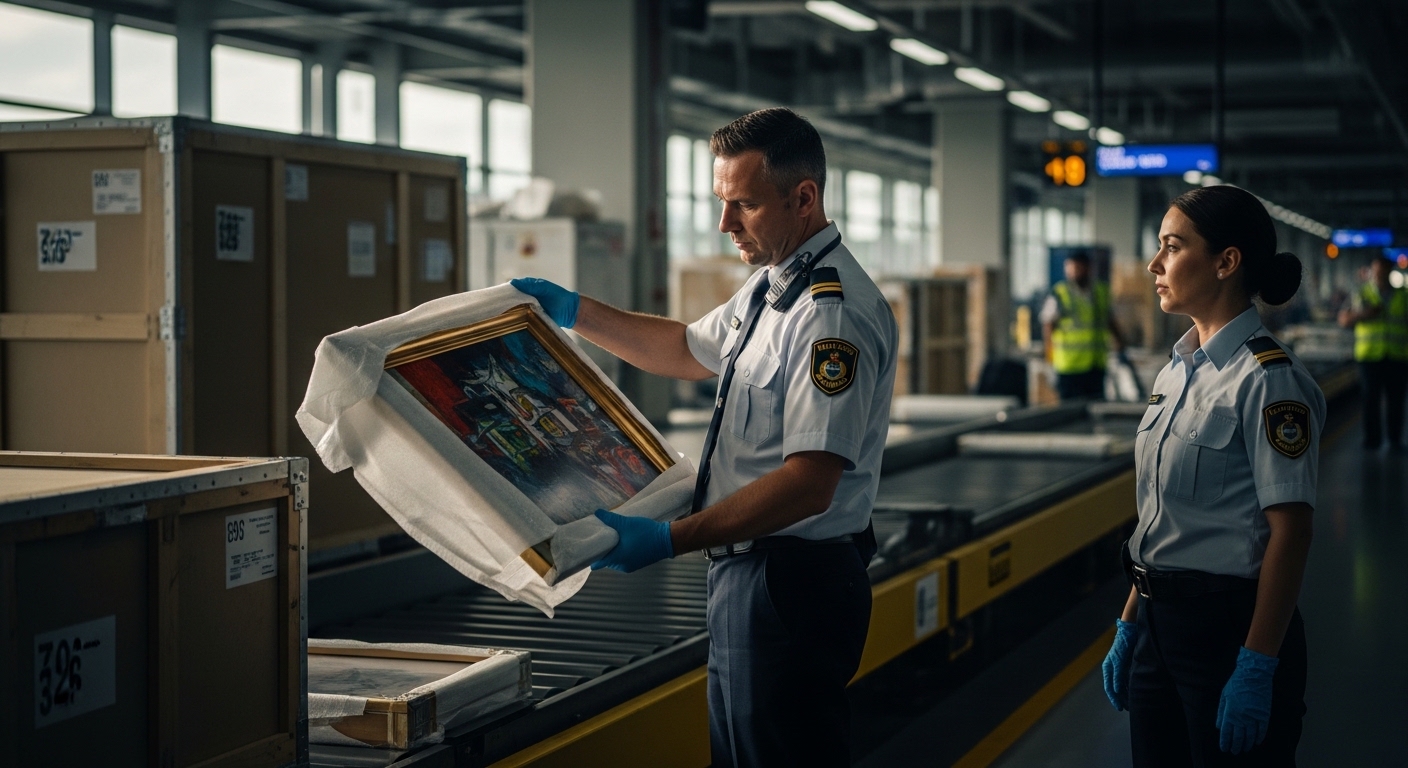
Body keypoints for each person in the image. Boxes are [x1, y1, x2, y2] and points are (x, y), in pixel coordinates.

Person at [511, 107, 897, 768]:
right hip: (748, 573)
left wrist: (668, 539)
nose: (725, 225)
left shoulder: (829, 314)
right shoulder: (770, 291)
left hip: (790, 581)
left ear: (803, 198)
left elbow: (809, 483)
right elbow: (687, 348)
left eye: (744, 205)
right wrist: (575, 312)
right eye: (721, 203)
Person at [1100, 185, 1322, 767]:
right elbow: (1163, 520)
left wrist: (1257, 662)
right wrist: (1130, 622)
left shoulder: (1268, 380)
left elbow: (1291, 532)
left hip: (1230, 631)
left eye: (1172, 248)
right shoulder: (1175, 375)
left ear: (1226, 262)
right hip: (1156, 625)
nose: (1155, 264)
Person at [1337, 256, 1407, 450]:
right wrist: (1364, 314)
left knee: (1396, 400)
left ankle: (1395, 440)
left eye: (1383, 271)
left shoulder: (1403, 295)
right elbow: (1343, 320)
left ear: (1390, 271)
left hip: (1397, 356)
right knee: (1370, 399)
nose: (1379, 275)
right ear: (1371, 271)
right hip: (1369, 357)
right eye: (1376, 271)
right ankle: (1372, 440)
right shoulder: (1361, 294)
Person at [1041, 250, 1125, 400]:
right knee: (1069, 412)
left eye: (1078, 268)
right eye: (1070, 268)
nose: (1073, 272)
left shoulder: (1101, 292)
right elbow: (1048, 326)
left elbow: (1109, 320)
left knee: (1095, 408)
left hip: (1096, 365)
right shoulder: (1060, 293)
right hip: (1069, 367)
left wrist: (1120, 342)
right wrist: (1049, 360)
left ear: (1088, 268)